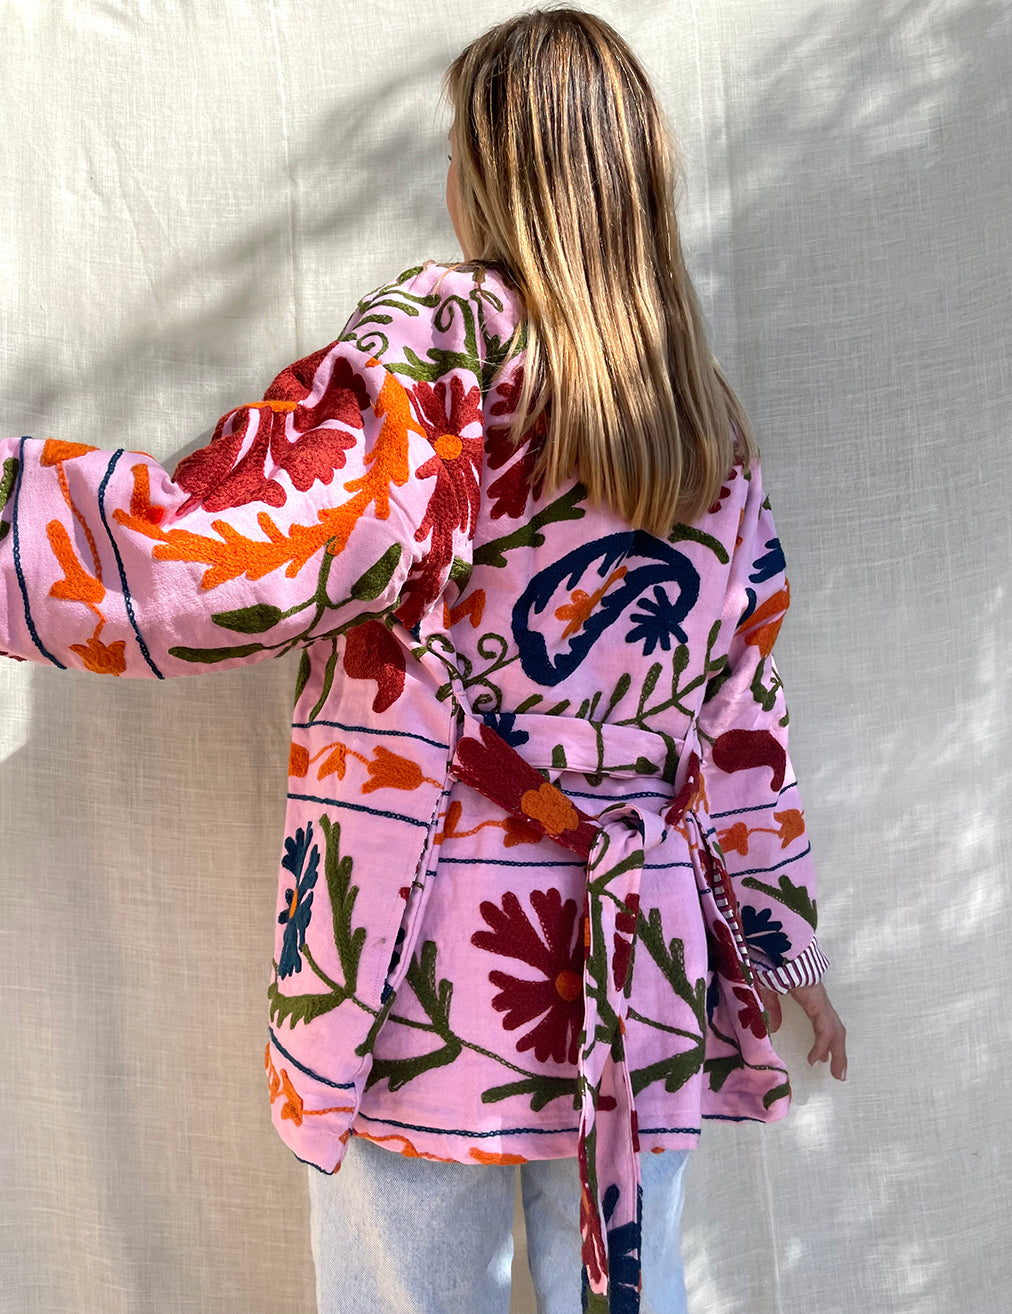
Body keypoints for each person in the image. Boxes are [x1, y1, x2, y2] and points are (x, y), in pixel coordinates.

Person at [0, 7, 846, 1313]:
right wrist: (782, 942)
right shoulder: (697, 411)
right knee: (635, 1284)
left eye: (458, 149)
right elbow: (744, 712)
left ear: (488, 178)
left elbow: (239, 547)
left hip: (437, 943)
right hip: (645, 951)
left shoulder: (443, 352)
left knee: (408, 1295)